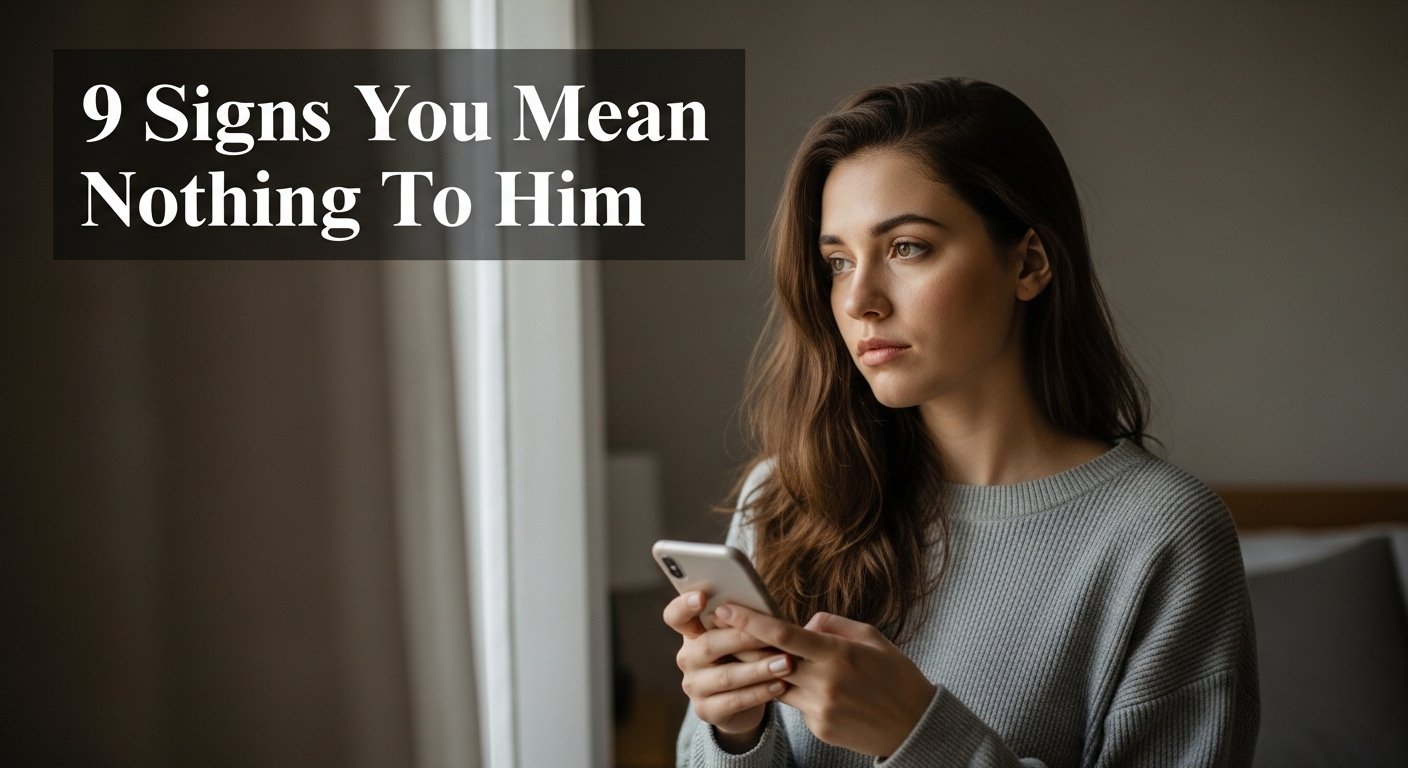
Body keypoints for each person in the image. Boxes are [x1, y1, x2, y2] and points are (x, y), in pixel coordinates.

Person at [663, 79, 1259, 768]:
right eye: (837, 262)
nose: (859, 300)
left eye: (907, 247)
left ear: (1029, 262)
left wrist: (918, 735)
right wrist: (736, 733)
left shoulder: (1162, 534)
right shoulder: (788, 497)